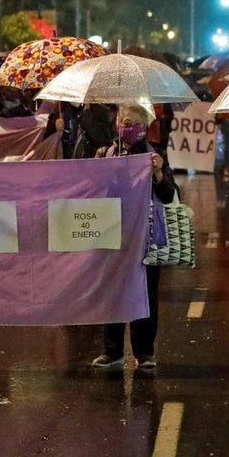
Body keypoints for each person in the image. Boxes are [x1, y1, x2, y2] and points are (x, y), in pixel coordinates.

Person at [90, 104, 176, 370]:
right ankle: (113, 351)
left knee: (146, 292)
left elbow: (169, 194)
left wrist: (159, 173)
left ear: (146, 127)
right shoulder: (106, 153)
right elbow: (91, 190)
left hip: (148, 235)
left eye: (138, 123)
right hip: (115, 233)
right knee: (114, 291)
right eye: (127, 122)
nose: (132, 128)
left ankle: (144, 352)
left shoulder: (156, 154)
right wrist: (97, 169)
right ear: (117, 125)